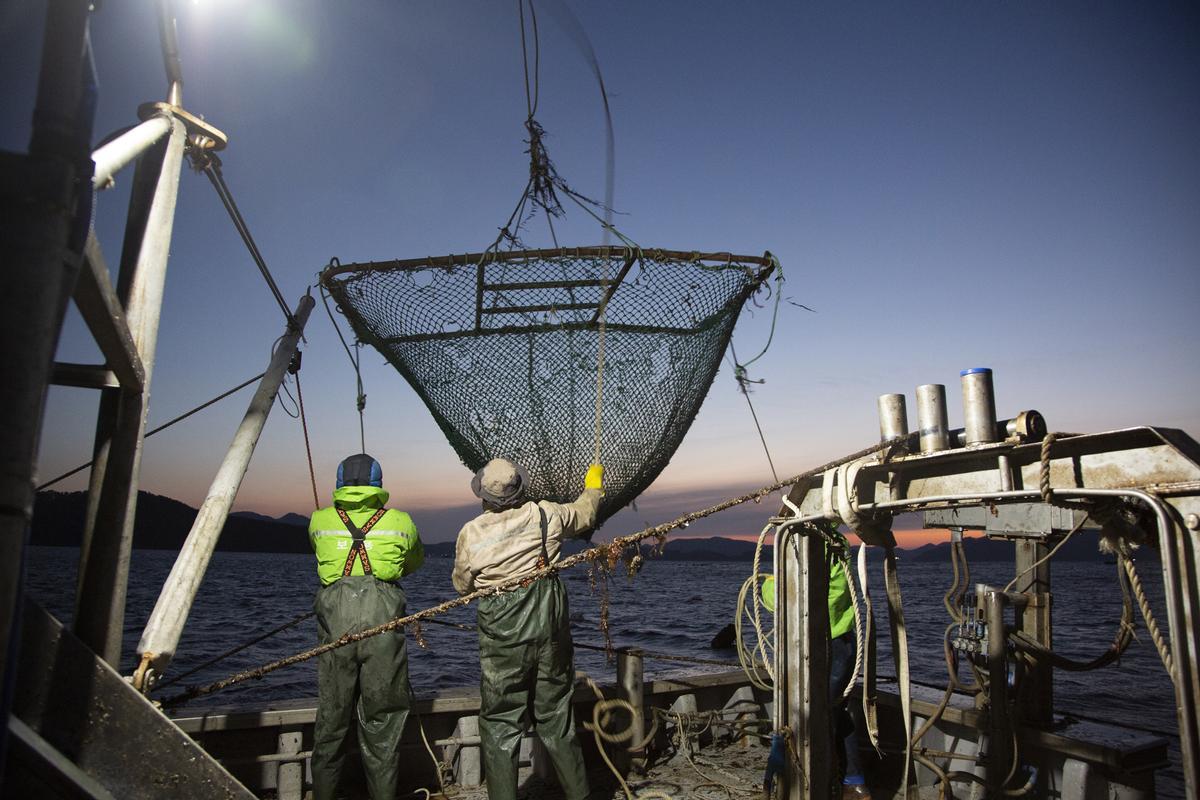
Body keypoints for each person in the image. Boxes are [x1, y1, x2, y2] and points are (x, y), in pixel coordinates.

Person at [452, 458, 604, 800]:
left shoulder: (471, 533)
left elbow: (462, 587)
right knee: (557, 717)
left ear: (484, 496)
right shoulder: (546, 514)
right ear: (520, 488)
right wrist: (593, 485)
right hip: (549, 626)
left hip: (501, 634)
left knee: (501, 724)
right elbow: (585, 513)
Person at [308, 453, 425, 800]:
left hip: (336, 621)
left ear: (340, 482)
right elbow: (413, 561)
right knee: (384, 722)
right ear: (378, 483)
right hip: (383, 619)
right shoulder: (401, 522)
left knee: (331, 720)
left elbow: (318, 551)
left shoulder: (318, 520)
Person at [761, 521, 869, 800]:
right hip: (840, 640)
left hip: (825, 643)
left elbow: (790, 595)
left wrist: (768, 586)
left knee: (816, 712)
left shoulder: (809, 541)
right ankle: (851, 781)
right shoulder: (835, 540)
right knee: (833, 710)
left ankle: (820, 782)